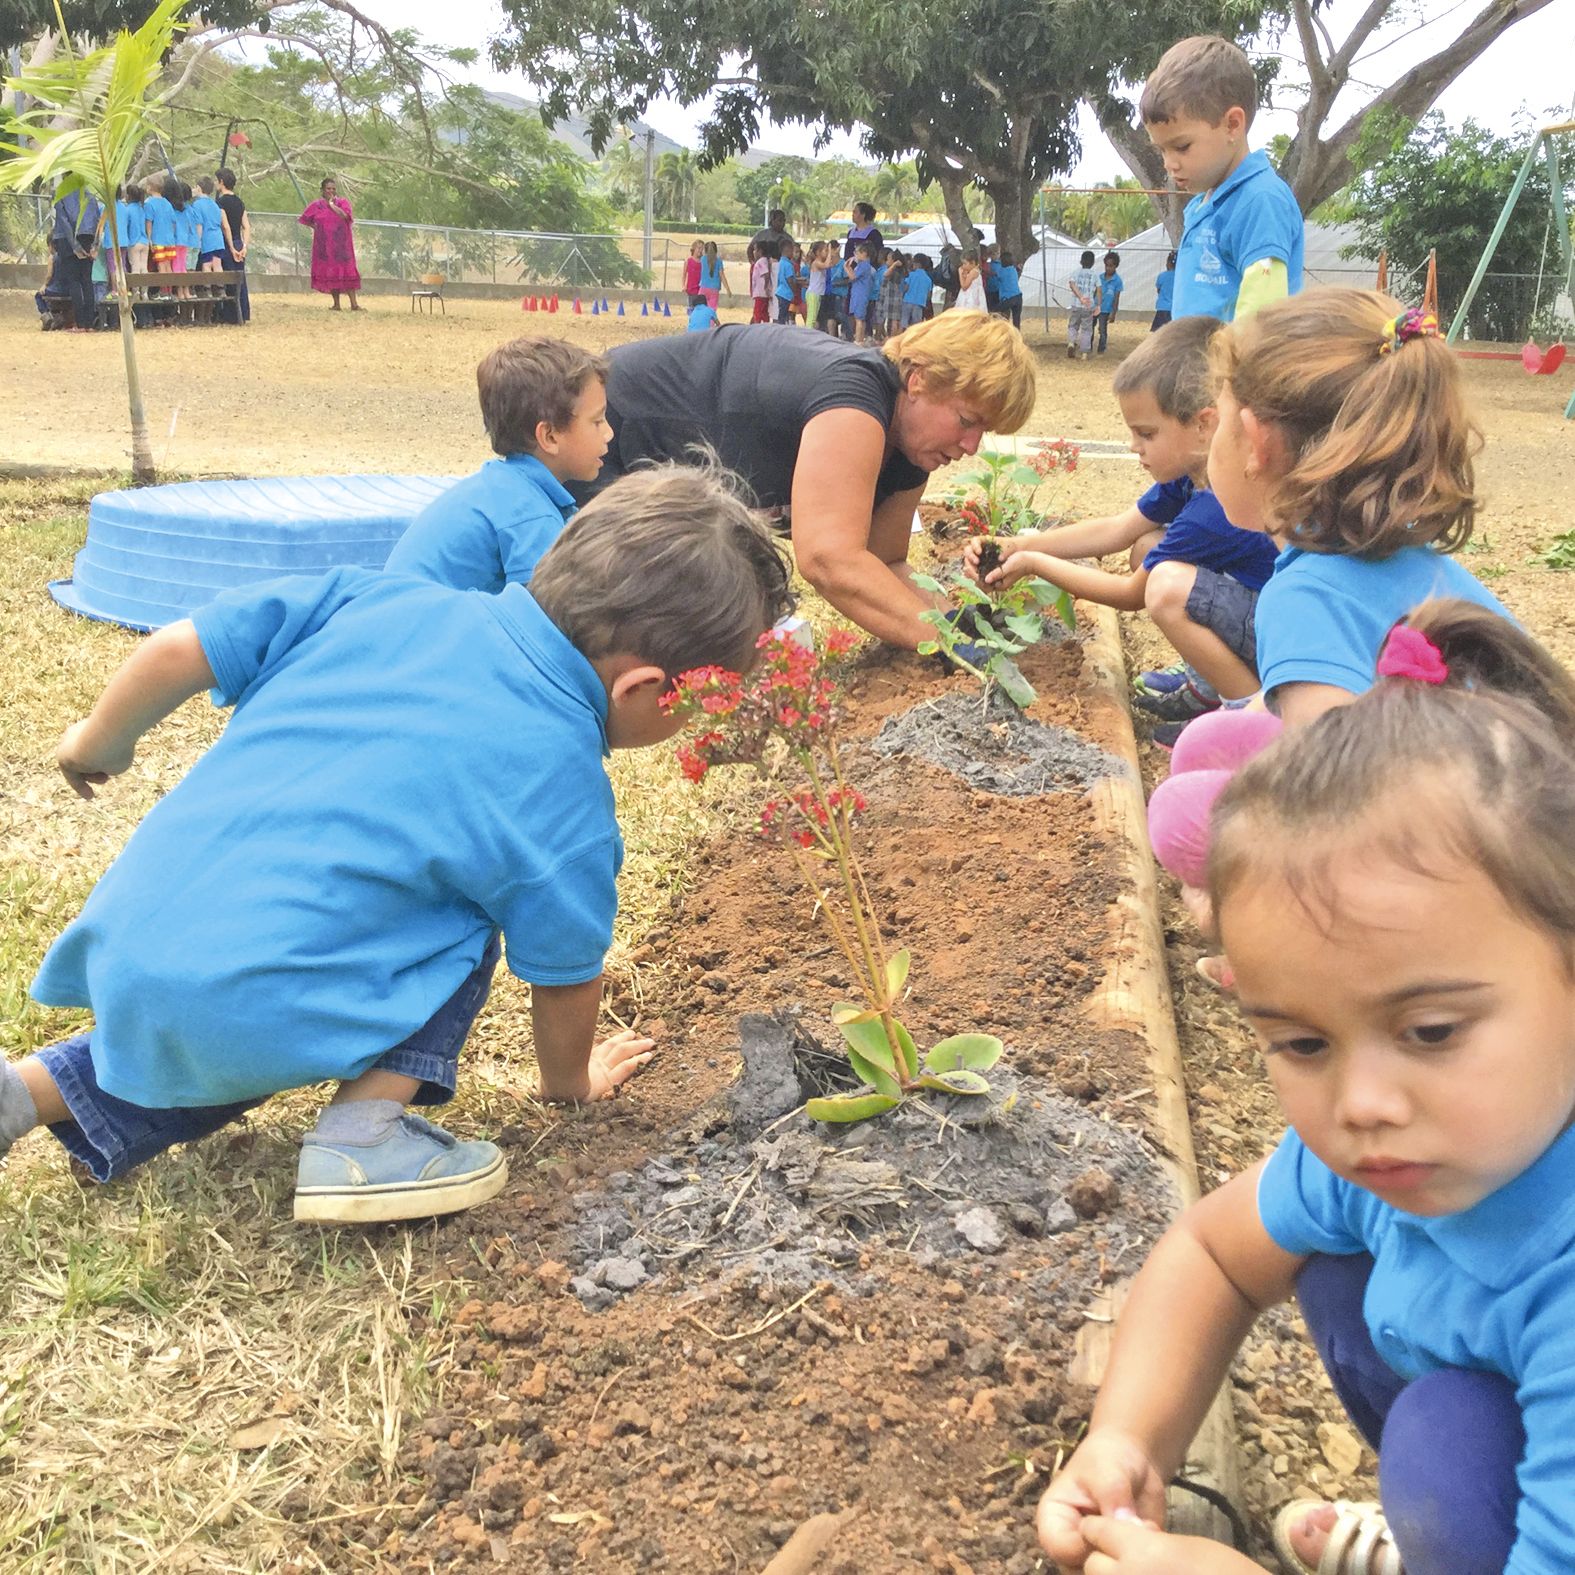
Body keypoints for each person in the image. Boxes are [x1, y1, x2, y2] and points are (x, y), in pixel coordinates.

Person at [0, 468, 794, 1225]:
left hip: (134, 952)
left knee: (228, 1008)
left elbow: (180, 647)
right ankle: (362, 1136)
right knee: (464, 921)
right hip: (258, 1001)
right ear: (644, 690)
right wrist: (568, 1081)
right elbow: (564, 975)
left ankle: (24, 1091)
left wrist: (95, 743)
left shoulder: (371, 597)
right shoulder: (567, 800)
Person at [1037, 597, 1575, 1575]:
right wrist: (1125, 1441)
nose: (1360, 1102)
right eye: (1303, 1043)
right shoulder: (1408, 1141)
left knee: (1450, 1446)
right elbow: (1214, 1251)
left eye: (1432, 1031)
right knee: (1329, 1266)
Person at [572, 313, 1036, 649]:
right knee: (609, 614)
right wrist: (945, 643)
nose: (973, 445)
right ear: (918, 381)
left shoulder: (914, 445)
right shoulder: (855, 397)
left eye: (984, 432)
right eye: (966, 420)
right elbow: (830, 560)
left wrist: (959, 621)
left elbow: (884, 561)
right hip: (612, 429)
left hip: (678, 458)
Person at [1207, 289, 1505, 731]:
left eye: (1217, 419)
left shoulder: (1301, 599)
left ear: (1255, 442)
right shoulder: (1417, 564)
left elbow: (1338, 788)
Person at [970, 316, 1275, 721]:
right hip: (1259, 610)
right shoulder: (1191, 475)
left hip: (1280, 637)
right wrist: (1020, 545)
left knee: (1165, 587)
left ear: (1204, 425)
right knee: (1148, 548)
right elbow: (1118, 529)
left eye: (1147, 434)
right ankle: (1208, 686)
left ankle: (1248, 714)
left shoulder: (1212, 509)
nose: (1133, 447)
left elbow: (1132, 595)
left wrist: (1033, 564)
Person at [384, 338, 609, 591]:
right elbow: (546, 615)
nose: (609, 433)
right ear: (549, 436)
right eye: (597, 421)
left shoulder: (505, 488)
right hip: (423, 626)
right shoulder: (529, 513)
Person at [1142, 34, 1304, 322]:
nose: (1169, 164)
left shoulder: (1260, 201)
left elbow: (1258, 326)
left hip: (1232, 367)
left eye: (1181, 147)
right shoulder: (1206, 203)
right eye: (1162, 150)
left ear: (1232, 125)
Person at [298, 177, 362, 311]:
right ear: (322, 190)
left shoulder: (342, 202)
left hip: (342, 245)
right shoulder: (317, 205)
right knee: (331, 273)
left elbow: (345, 216)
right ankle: (336, 304)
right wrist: (316, 227)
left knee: (347, 271)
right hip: (325, 246)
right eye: (328, 189)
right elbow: (304, 219)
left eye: (333, 189)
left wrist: (332, 205)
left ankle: (354, 304)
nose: (331, 191)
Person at [50, 183, 102, 332]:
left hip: (68, 240)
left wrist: (74, 246)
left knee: (74, 281)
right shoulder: (90, 194)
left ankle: (79, 323)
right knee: (86, 280)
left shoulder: (61, 193)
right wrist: (95, 245)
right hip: (88, 237)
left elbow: (64, 222)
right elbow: (98, 220)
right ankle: (89, 324)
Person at [215, 167, 251, 325]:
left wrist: (231, 247)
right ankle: (242, 312)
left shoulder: (221, 202)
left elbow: (226, 226)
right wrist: (244, 246)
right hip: (239, 241)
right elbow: (247, 226)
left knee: (227, 278)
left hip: (226, 243)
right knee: (239, 278)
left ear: (221, 182)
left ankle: (228, 314)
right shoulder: (239, 202)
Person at [1066, 249, 1098, 357]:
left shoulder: (1076, 273)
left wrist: (1080, 297)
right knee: (1087, 329)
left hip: (1076, 304)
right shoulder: (1095, 275)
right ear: (1093, 263)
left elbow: (1071, 284)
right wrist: (1098, 305)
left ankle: (1071, 342)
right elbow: (1099, 289)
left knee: (1073, 325)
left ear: (1081, 262)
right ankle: (1084, 353)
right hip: (1088, 306)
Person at [192, 176, 228, 273]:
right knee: (217, 263)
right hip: (218, 239)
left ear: (199, 188)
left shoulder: (197, 204)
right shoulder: (215, 204)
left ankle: (207, 287)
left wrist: (197, 241)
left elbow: (199, 225)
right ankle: (219, 285)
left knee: (206, 264)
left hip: (207, 239)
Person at [112, 183, 146, 284]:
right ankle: (144, 292)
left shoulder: (128, 209)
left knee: (135, 267)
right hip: (145, 241)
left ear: (128, 196)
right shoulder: (142, 208)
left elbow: (126, 224)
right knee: (144, 267)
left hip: (134, 241)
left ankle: (136, 290)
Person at [845, 243, 875, 343]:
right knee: (859, 318)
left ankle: (858, 340)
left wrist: (847, 267)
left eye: (857, 253)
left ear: (864, 253)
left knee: (859, 319)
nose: (855, 255)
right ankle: (860, 339)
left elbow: (852, 277)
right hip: (858, 293)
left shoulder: (864, 265)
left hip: (860, 295)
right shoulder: (861, 265)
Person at [1096, 250, 1123, 352]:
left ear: (1115, 266)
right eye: (1106, 266)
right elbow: (1094, 292)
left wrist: (1113, 313)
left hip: (1106, 310)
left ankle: (1101, 348)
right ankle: (1088, 345)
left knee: (1102, 330)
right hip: (1096, 307)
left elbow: (1116, 298)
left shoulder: (1117, 281)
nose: (1108, 268)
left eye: (1111, 266)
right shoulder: (1099, 278)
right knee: (1090, 327)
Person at [900, 252, 932, 329]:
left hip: (907, 301)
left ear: (917, 264)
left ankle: (902, 337)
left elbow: (906, 287)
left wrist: (902, 294)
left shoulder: (911, 275)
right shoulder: (928, 279)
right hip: (919, 304)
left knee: (903, 323)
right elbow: (929, 295)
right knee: (916, 326)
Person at [879, 251, 906, 340]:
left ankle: (892, 338)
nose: (887, 261)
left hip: (894, 299)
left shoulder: (895, 271)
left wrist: (893, 265)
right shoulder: (900, 271)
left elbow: (886, 274)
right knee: (891, 320)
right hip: (892, 298)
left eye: (888, 259)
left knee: (894, 320)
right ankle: (890, 337)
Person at [804, 240, 830, 331]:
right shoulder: (816, 263)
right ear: (818, 253)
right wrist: (830, 252)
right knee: (811, 318)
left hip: (816, 293)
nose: (827, 253)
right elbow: (827, 265)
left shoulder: (818, 262)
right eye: (825, 250)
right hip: (814, 293)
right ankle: (807, 334)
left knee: (813, 317)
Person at [993, 250, 1022, 328]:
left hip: (1008, 298)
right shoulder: (1013, 269)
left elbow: (994, 274)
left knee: (994, 312)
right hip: (1018, 297)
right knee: (1016, 320)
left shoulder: (1002, 271)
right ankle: (1017, 336)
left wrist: (984, 271)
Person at [1152, 249, 1177, 330]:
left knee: (1159, 331)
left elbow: (1158, 290)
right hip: (1174, 309)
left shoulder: (1162, 276)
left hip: (1162, 308)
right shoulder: (1180, 277)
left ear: (1168, 263)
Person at [698, 240, 727, 308]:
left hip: (703, 287)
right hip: (714, 289)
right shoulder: (719, 261)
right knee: (711, 310)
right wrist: (728, 289)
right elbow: (722, 276)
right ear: (716, 250)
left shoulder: (702, 259)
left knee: (700, 308)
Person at [774, 242, 797, 325]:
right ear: (788, 251)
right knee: (783, 315)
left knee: (782, 314)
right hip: (786, 293)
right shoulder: (788, 265)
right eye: (792, 251)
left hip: (780, 291)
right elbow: (790, 279)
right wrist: (794, 290)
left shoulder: (781, 263)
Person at [683, 239, 704, 310]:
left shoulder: (703, 261)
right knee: (692, 309)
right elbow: (684, 274)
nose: (700, 250)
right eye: (699, 248)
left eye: (702, 248)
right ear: (694, 249)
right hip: (691, 289)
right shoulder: (688, 261)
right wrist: (683, 285)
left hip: (701, 289)